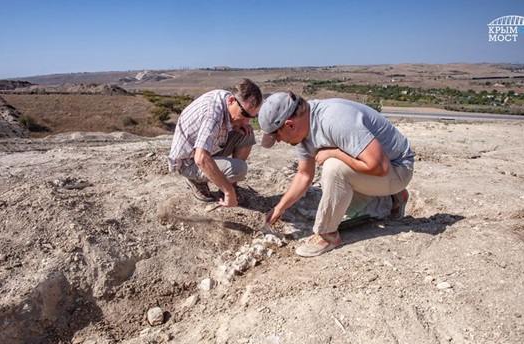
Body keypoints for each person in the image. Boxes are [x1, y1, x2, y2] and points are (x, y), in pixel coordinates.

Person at [258, 92, 414, 257]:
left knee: (333, 167)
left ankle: (328, 235)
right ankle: (392, 197)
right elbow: (304, 175)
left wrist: (334, 153)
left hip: (397, 169)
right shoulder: (303, 128)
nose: (279, 141)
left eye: (277, 136)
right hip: (380, 171)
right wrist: (280, 207)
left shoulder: (334, 120)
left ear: (290, 125)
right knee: (347, 216)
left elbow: (380, 167)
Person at [168, 79, 263, 207]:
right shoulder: (213, 114)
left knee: (247, 134)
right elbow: (201, 158)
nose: (246, 121)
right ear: (231, 101)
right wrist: (228, 192)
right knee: (239, 169)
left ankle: (229, 184)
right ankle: (196, 180)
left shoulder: (225, 98)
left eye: (251, 117)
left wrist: (235, 125)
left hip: (209, 148)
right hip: (188, 161)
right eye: (244, 114)